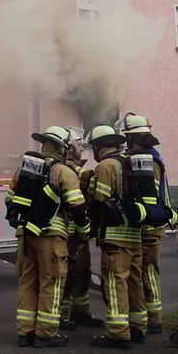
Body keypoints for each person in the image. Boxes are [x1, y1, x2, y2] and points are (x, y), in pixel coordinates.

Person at [7, 125, 89, 348]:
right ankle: (46, 334)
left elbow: (9, 200)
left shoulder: (24, 170)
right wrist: (84, 232)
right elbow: (77, 207)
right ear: (62, 149)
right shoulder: (62, 171)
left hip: (25, 235)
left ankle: (25, 333)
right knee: (51, 282)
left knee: (27, 282)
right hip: (51, 236)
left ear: (43, 144)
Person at [117, 113, 178, 335]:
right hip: (149, 225)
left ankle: (154, 319)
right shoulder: (151, 157)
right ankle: (149, 318)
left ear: (135, 139)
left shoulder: (148, 161)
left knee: (149, 272)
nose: (127, 145)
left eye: (128, 140)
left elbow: (149, 198)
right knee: (144, 272)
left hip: (150, 227)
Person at [87, 124, 145, 349]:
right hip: (135, 234)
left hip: (114, 237)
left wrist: (89, 224)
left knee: (114, 282)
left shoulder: (106, 166)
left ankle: (118, 333)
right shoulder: (131, 163)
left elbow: (99, 202)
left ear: (99, 147)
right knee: (134, 281)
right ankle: (138, 327)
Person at [59, 128, 103, 330]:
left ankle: (80, 311)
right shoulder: (66, 169)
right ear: (69, 147)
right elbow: (87, 177)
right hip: (68, 234)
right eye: (79, 145)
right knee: (67, 275)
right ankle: (63, 316)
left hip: (79, 233)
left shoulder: (74, 168)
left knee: (82, 273)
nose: (81, 149)